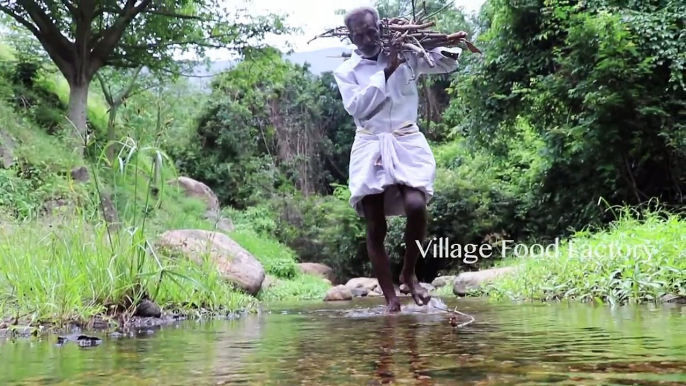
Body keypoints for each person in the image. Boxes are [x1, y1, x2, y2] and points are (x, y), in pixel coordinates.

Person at [333, 6, 466, 314]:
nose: (367, 38)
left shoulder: (405, 54)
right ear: (350, 39)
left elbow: (446, 64)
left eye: (371, 30)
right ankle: (390, 297)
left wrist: (435, 41)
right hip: (370, 144)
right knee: (375, 224)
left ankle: (409, 272)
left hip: (407, 139)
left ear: (382, 26)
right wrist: (387, 70)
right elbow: (358, 108)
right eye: (359, 35)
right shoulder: (347, 71)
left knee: (417, 205)